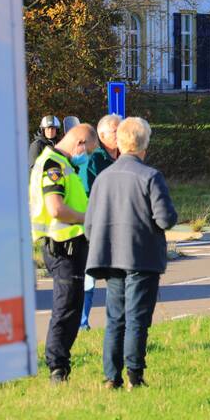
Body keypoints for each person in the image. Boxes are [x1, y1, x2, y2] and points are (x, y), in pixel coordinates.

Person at [85, 117, 178, 390]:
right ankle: (134, 375)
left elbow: (89, 224)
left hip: (110, 256)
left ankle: (111, 376)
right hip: (141, 257)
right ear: (144, 144)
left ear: (119, 142)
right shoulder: (150, 177)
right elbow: (165, 220)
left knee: (115, 318)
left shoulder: (102, 178)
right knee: (137, 318)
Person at [29, 122, 99, 383]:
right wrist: (89, 217)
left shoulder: (64, 163)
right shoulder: (53, 165)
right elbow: (56, 208)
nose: (87, 156)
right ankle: (57, 368)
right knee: (65, 308)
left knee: (71, 307)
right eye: (89, 151)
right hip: (62, 247)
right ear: (79, 143)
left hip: (71, 247)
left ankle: (61, 364)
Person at [79, 114, 123, 331]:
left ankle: (115, 322)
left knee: (118, 276)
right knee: (89, 276)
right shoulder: (93, 160)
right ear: (103, 135)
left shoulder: (126, 157)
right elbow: (87, 194)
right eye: (116, 131)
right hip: (97, 227)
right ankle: (82, 322)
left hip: (120, 227)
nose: (120, 134)